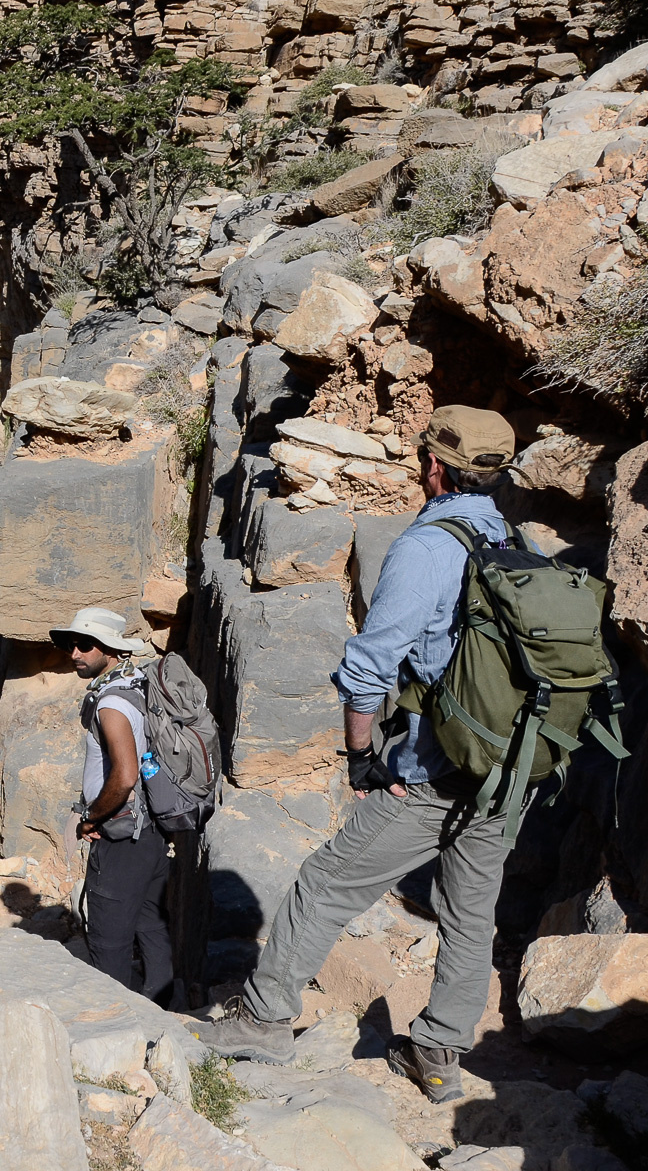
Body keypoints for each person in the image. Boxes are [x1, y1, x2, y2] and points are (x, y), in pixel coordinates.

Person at [195, 405, 521, 1103]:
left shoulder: (428, 546)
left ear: (434, 468)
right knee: (469, 917)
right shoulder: (513, 542)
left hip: (435, 773)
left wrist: (361, 756)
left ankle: (264, 1019)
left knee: (324, 884)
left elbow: (372, 666)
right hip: (507, 772)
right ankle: (437, 1054)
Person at [50, 606, 176, 1007]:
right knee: (151, 927)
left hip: (121, 837)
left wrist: (90, 816)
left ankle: (119, 1024)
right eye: (70, 645)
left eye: (85, 645)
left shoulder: (111, 704)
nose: (74, 653)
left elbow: (123, 776)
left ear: (110, 649)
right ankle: (164, 1015)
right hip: (152, 831)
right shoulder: (138, 685)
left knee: (108, 941)